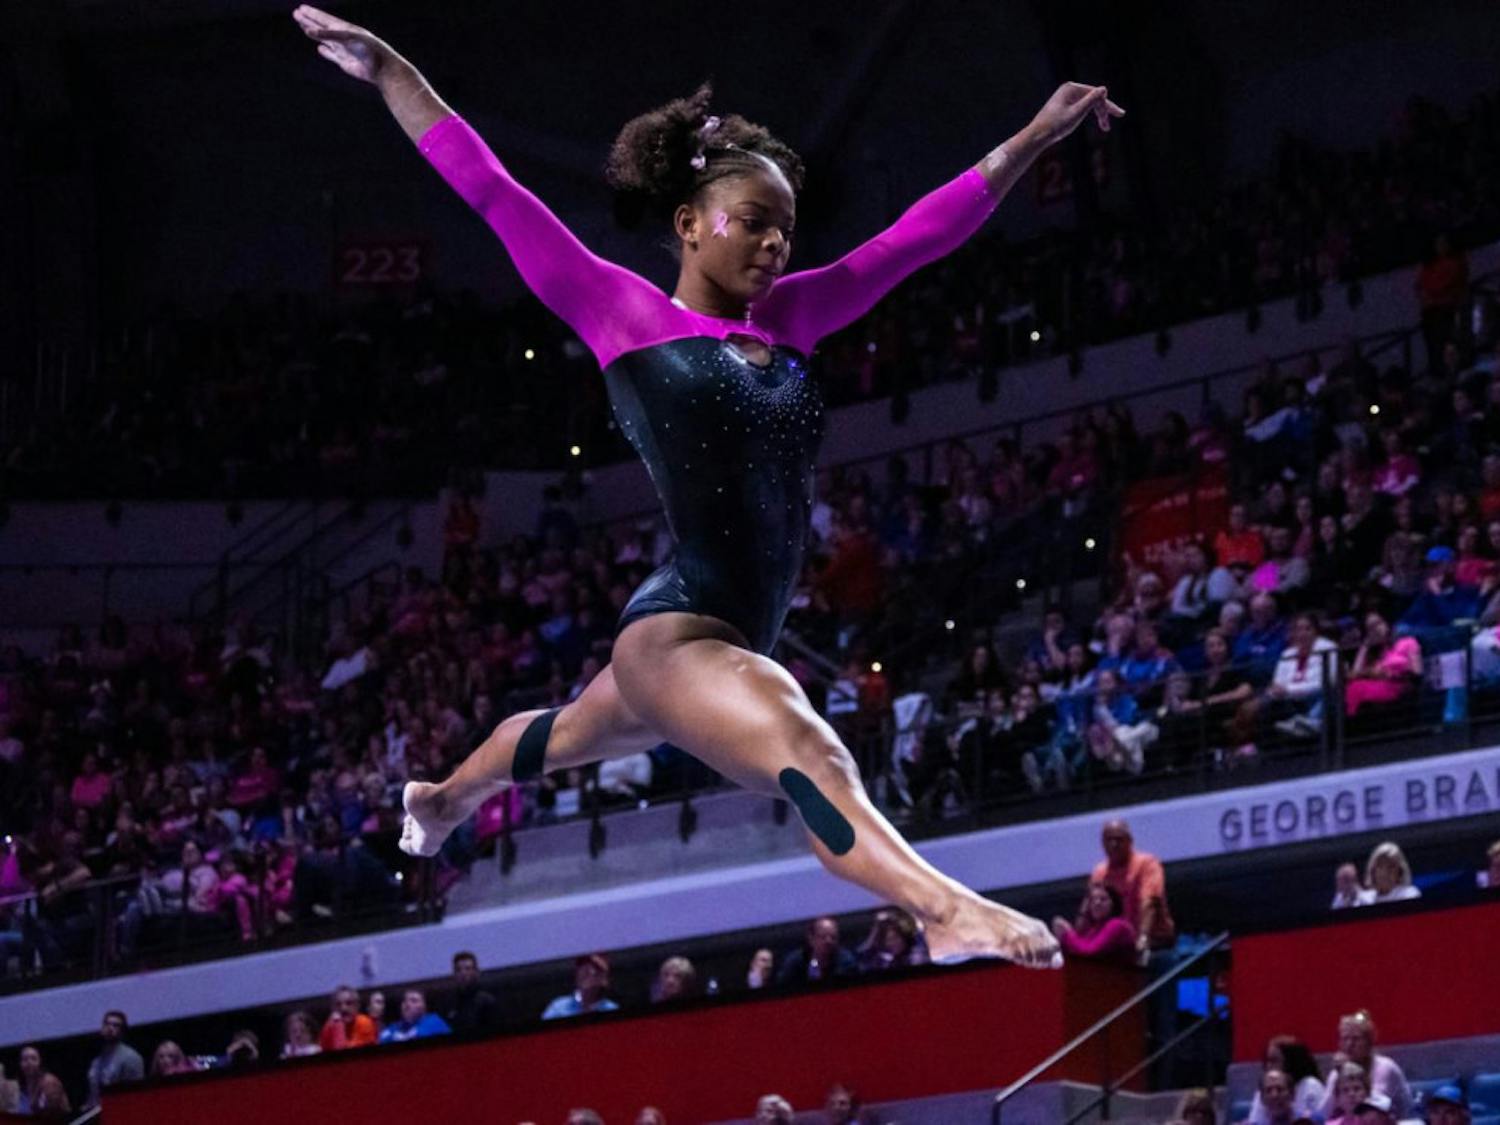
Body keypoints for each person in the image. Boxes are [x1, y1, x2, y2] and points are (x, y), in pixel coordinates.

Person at [295, 4, 1124, 968]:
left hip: (709, 639)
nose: (776, 244)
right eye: (756, 222)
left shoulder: (797, 319)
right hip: (683, 629)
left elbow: (914, 238)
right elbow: (491, 189)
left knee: (564, 736)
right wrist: (394, 69)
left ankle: (440, 798)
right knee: (811, 755)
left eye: (786, 229)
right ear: (690, 225)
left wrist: (1030, 137)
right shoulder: (625, 313)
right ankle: (942, 909)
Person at [1090, 820, 1175, 958]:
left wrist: (1143, 938)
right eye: (1109, 840)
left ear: (1130, 841)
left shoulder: (1146, 864)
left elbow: (1149, 903)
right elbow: (1091, 912)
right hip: (1120, 951)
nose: (1114, 845)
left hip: (1154, 946)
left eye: (1119, 839)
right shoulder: (1099, 873)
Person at [1316, 1010, 1412, 1119]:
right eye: (1345, 1039)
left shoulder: (1385, 1067)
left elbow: (1373, 1108)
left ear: (1369, 1042)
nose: (1349, 1044)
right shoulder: (1337, 1073)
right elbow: (1323, 1114)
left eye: (1356, 1039)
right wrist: (1339, 1076)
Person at [1344, 613, 1423, 719]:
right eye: (1371, 628)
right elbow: (1355, 672)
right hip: (1379, 685)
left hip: (1399, 684)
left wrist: (1391, 674)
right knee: (1353, 686)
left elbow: (1417, 673)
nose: (1376, 629)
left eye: (1378, 623)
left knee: (1357, 688)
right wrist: (1365, 645)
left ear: (1386, 623)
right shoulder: (1376, 652)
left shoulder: (1408, 642)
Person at [1051, 882, 1137, 963]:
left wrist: (1067, 933)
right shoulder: (1095, 929)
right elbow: (1079, 946)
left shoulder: (1118, 925)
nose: (1097, 903)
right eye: (1093, 900)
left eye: (1103, 899)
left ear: (1113, 903)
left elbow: (1089, 953)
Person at [1245, 1036, 1326, 1123]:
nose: (1274, 1095)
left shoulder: (1311, 1085)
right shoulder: (1264, 1088)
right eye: (1267, 1061)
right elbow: (1256, 1121)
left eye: (1274, 1060)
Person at [84, 1010, 144, 1109]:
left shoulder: (130, 1057)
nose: (110, 1028)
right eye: (107, 1024)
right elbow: (93, 1094)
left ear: (122, 1031)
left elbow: (135, 1094)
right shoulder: (96, 1062)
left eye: (116, 1025)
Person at [777, 916, 858, 984]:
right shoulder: (795, 962)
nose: (828, 941)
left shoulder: (846, 961)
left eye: (833, 937)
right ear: (811, 939)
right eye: (823, 937)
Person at [542, 953, 620, 1020]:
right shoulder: (557, 1008)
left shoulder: (611, 1008)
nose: (590, 972)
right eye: (584, 968)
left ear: (604, 979)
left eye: (597, 970)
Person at [856, 908, 928, 972]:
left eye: (895, 938)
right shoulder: (881, 960)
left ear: (903, 937)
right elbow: (863, 952)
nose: (893, 943)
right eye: (888, 940)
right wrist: (878, 924)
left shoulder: (915, 953)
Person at [446, 950, 500, 1035]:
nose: (463, 973)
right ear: (454, 974)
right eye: (458, 970)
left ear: (476, 972)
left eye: (468, 969)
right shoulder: (449, 1003)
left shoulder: (486, 1001)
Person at [319, 984, 379, 1051]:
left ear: (357, 1006)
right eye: (338, 1005)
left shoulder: (365, 1023)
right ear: (333, 1008)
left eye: (349, 1003)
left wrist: (338, 1027)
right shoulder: (328, 1027)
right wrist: (337, 1025)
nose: (343, 1008)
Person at [379, 989, 452, 1042]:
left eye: (414, 1001)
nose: (407, 1004)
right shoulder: (392, 1028)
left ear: (424, 1006)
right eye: (404, 1001)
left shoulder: (434, 1022)